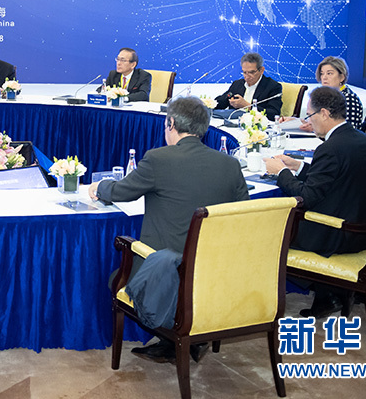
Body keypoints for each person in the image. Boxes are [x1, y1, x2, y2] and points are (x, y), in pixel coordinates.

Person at [88, 96, 249, 362]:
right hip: (214, 270)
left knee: (115, 279)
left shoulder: (158, 159)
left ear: (171, 123)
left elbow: (121, 191)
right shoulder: (229, 164)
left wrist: (99, 187)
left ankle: (172, 336)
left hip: (168, 270)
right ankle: (191, 334)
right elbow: (243, 212)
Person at [263, 86, 366, 318]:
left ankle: (266, 306)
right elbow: (334, 178)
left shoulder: (330, 148)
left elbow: (306, 198)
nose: (308, 121)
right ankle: (329, 294)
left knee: (268, 231)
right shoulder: (360, 139)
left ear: (324, 113)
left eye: (310, 115)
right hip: (359, 227)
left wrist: (281, 172)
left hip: (335, 233)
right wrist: (298, 166)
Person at [279, 56, 363, 130]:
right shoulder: (327, 97)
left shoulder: (349, 98)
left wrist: (313, 128)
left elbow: (349, 130)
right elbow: (319, 121)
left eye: (329, 73)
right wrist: (296, 122)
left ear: (342, 77)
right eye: (322, 74)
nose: (324, 77)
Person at [214, 52, 283, 119]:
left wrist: (248, 106)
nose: (247, 76)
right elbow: (221, 103)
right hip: (233, 123)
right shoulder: (237, 84)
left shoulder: (272, 86)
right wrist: (210, 104)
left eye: (251, 72)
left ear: (261, 70)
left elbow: (274, 113)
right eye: (244, 72)